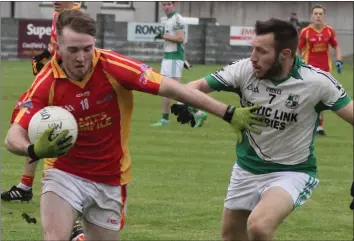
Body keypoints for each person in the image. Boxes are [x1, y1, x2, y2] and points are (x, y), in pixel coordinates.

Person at [4, 9, 266, 240]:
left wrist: (228, 112)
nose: (82, 57)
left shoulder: (112, 66)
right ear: (58, 47)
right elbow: (13, 136)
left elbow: (172, 88)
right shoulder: (47, 81)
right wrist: (34, 151)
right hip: (64, 173)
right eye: (73, 50)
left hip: (111, 177)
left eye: (87, 48)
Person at [171, 18, 353, 241]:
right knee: (231, 236)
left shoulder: (318, 83)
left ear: (285, 54)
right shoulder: (244, 70)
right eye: (252, 49)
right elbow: (196, 86)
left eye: (261, 51)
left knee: (259, 227)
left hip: (291, 172)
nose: (253, 57)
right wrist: (186, 101)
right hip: (246, 169)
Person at [2, 2, 84, 241]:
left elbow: (75, 55)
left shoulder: (75, 18)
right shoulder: (59, 14)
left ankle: (74, 222)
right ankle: (26, 186)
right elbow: (57, 49)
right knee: (30, 126)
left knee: (53, 137)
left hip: (64, 86)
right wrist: (47, 58)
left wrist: (52, 64)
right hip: (51, 80)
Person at [151, 1, 207, 127]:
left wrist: (163, 36)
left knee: (173, 90)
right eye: (164, 4)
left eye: (168, 4)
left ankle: (197, 112)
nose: (166, 7)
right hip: (168, 57)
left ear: (174, 5)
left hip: (174, 58)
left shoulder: (177, 19)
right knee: (167, 90)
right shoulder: (168, 20)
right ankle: (165, 120)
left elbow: (180, 38)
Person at [297, 4, 343, 136]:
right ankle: (304, 123)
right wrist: (297, 63)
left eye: (320, 14)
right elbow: (298, 49)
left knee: (322, 98)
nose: (318, 16)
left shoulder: (329, 31)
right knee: (309, 97)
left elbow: (336, 46)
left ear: (324, 16)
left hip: (325, 70)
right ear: (312, 16)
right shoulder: (305, 32)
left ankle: (319, 127)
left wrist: (339, 60)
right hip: (309, 70)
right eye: (316, 13)